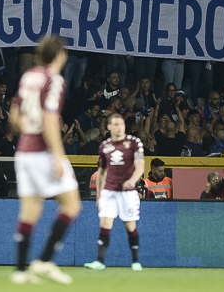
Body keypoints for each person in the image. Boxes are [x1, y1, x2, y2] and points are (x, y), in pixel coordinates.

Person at [8, 36, 81, 284]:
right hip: (42, 152)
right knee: (71, 205)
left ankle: (20, 271)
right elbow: (50, 120)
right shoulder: (54, 79)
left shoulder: (29, 76)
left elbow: (14, 114)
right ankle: (45, 260)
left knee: (30, 210)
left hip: (23, 152)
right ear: (60, 55)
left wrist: (29, 130)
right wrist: (58, 156)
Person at [83, 113, 145, 273]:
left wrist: (133, 180)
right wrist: (99, 195)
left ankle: (135, 261)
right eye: (116, 124)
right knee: (105, 223)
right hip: (109, 192)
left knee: (130, 225)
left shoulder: (134, 142)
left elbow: (140, 165)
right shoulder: (105, 146)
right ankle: (100, 261)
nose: (119, 127)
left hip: (127, 192)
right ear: (109, 126)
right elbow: (102, 172)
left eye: (121, 124)